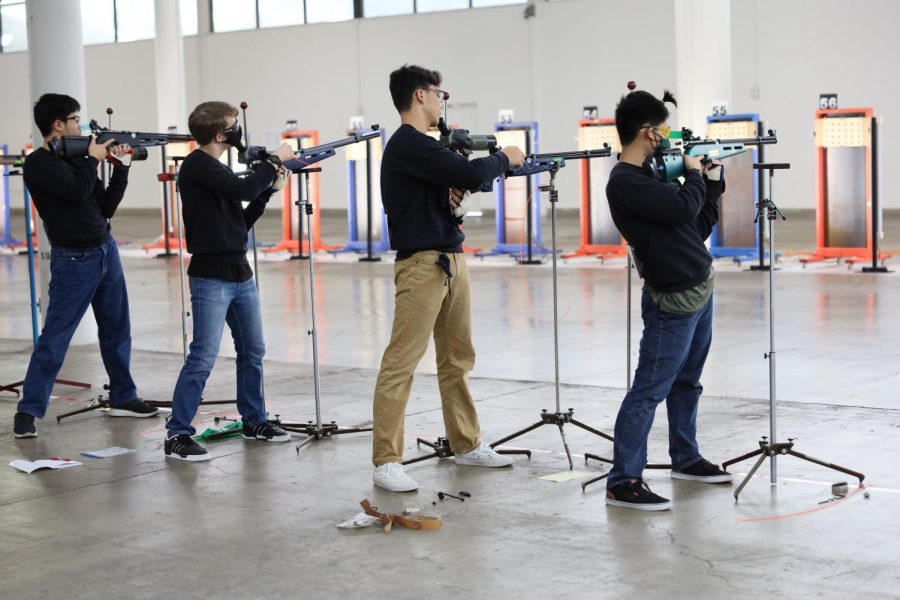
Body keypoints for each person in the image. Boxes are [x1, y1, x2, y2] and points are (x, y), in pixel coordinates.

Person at [371, 64, 527, 492]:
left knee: (457, 360)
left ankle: (466, 443)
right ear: (420, 96)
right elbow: (474, 174)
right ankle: (386, 459)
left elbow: (458, 186)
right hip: (422, 264)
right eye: (440, 94)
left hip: (451, 259)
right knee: (401, 362)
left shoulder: (428, 148)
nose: (443, 101)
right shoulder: (407, 144)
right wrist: (506, 157)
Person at [604, 89, 731, 511]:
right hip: (672, 303)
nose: (667, 137)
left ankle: (685, 457)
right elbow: (680, 208)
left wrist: (711, 184)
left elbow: (695, 226)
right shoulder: (626, 182)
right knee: (648, 391)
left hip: (700, 288)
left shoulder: (654, 178)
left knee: (687, 382)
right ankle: (623, 481)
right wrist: (694, 175)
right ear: (647, 133)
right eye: (662, 130)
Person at [13, 93, 158, 438]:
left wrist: (121, 171)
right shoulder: (39, 164)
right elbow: (75, 193)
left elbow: (104, 206)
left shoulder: (79, 160)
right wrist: (93, 159)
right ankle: (28, 411)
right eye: (76, 119)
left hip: (105, 250)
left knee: (117, 330)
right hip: (73, 260)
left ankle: (123, 396)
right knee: (55, 339)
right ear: (58, 124)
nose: (82, 125)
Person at [163, 101, 293, 461]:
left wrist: (269, 189)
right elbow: (246, 188)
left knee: (253, 351)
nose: (239, 132)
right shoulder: (197, 167)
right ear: (221, 135)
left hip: (239, 272)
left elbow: (240, 220)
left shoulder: (217, 170)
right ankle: (177, 434)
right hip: (211, 277)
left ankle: (255, 421)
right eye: (235, 126)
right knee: (203, 357)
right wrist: (272, 162)